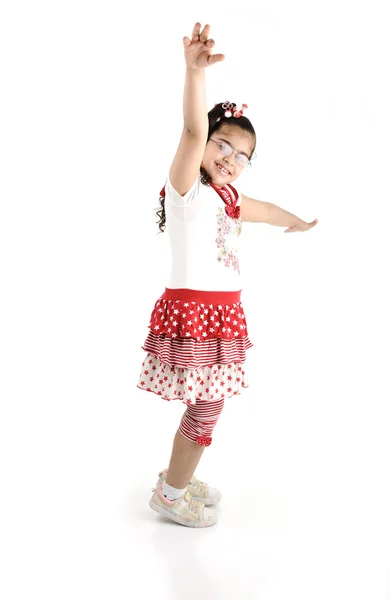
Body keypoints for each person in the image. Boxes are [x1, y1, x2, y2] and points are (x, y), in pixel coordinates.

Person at [137, 22, 318, 528]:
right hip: (195, 314)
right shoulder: (185, 191)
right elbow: (193, 131)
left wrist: (298, 222)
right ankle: (170, 494)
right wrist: (194, 75)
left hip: (222, 315)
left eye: (242, 156)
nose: (230, 160)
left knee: (205, 406)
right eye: (223, 145)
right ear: (206, 144)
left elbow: (266, 208)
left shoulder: (229, 200)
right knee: (207, 409)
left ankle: (176, 474)